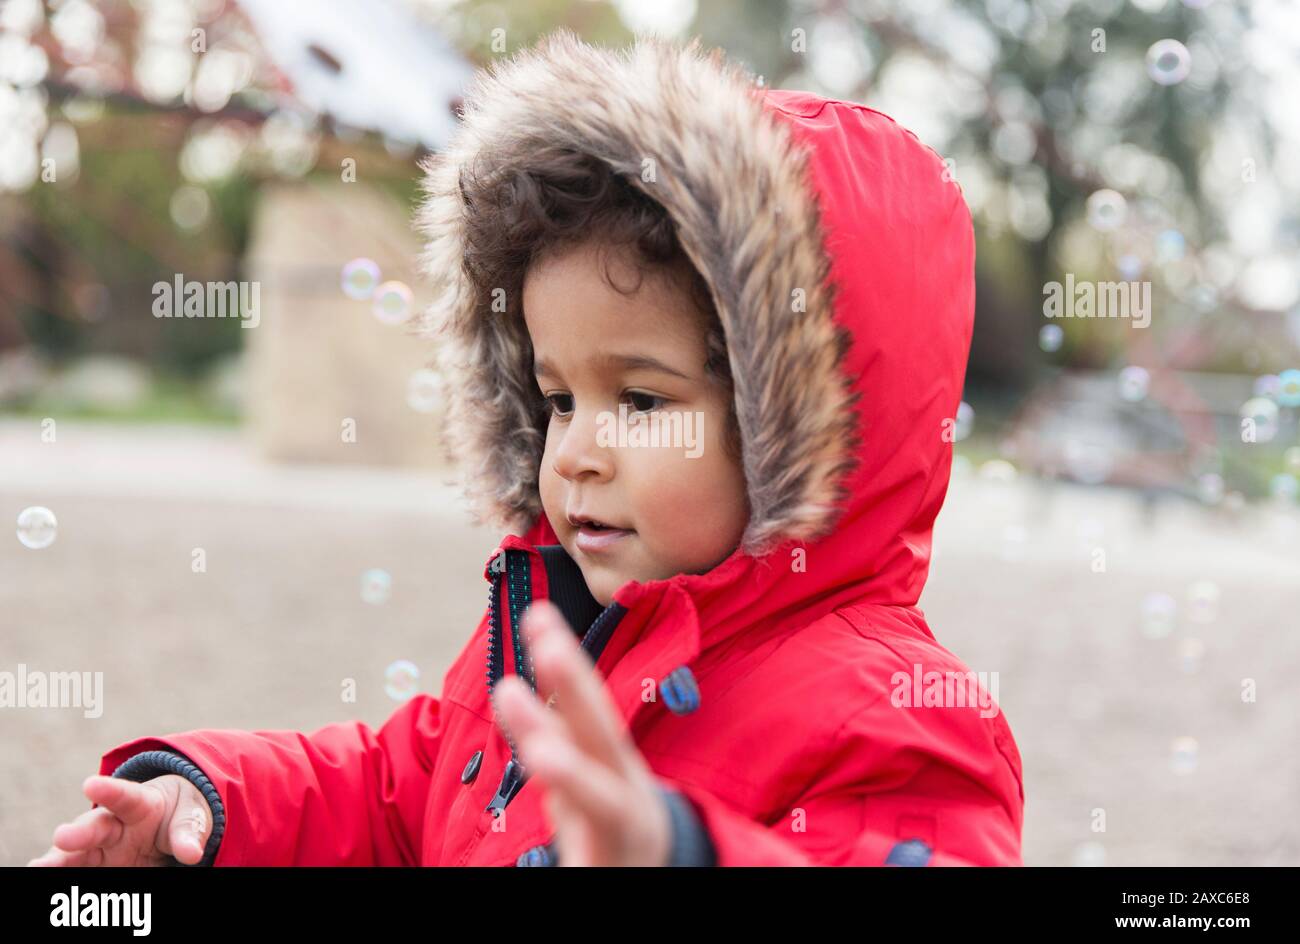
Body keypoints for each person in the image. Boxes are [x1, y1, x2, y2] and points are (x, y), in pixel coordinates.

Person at [30, 28, 1023, 867]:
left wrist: (677, 846)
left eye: (639, 398)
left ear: (798, 423)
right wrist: (214, 801)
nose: (577, 453)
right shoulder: (555, 630)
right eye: (555, 397)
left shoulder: (892, 715)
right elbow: (393, 790)